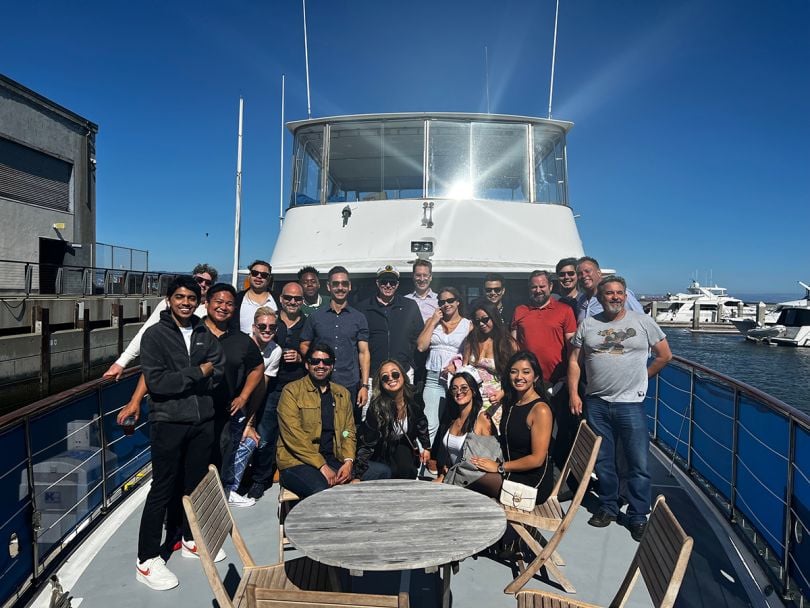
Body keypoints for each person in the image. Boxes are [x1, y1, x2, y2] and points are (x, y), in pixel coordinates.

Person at [131, 276, 225, 591]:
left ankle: (189, 539)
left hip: (202, 421)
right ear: (170, 299)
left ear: (198, 301)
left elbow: (219, 370)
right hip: (168, 422)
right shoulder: (154, 336)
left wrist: (194, 378)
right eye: (180, 297)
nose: (186, 303)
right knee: (163, 488)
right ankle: (146, 560)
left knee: (194, 485)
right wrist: (197, 373)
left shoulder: (203, 333)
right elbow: (158, 384)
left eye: (191, 298)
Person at [568, 275, 671, 541]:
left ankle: (638, 515)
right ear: (600, 298)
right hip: (596, 403)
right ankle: (608, 507)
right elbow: (575, 362)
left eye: (619, 293)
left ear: (625, 296)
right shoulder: (588, 324)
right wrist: (573, 393)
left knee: (638, 462)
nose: (615, 297)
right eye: (609, 293)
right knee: (603, 460)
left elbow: (664, 355)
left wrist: (642, 378)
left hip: (630, 403)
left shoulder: (643, 322)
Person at [276, 344, 389, 498]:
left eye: (326, 362)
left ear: (332, 365)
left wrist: (348, 461)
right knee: (323, 491)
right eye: (315, 361)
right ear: (307, 364)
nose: (321, 365)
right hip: (298, 462)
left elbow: (348, 431)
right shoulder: (291, 391)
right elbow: (294, 436)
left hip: (334, 459)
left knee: (383, 473)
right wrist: (321, 465)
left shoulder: (341, 393)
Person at [202, 284, 265, 507]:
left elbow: (258, 368)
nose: (223, 307)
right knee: (197, 458)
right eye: (218, 302)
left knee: (223, 453)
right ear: (207, 303)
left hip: (225, 411)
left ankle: (221, 497)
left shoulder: (241, 340)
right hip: (193, 411)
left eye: (229, 303)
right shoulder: (193, 333)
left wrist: (244, 397)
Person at [468, 351, 555, 506]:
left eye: (526, 372)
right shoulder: (513, 402)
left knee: (468, 480)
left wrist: (499, 467)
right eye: (514, 372)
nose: (519, 377)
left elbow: (537, 460)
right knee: (467, 465)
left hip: (531, 482)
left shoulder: (540, 410)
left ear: (535, 377)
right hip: (512, 468)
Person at [103, 263, 216, 380]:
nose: (203, 284)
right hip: (169, 373)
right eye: (199, 280)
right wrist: (121, 362)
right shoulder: (167, 305)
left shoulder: (213, 309)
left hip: (198, 378)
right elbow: (145, 332)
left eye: (208, 283)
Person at [511, 270, 577, 471]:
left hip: (557, 380)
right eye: (534, 287)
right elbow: (514, 345)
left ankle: (556, 469)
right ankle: (532, 466)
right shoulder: (520, 310)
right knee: (530, 427)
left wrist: (569, 376)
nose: (538, 290)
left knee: (559, 429)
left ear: (550, 287)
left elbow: (572, 346)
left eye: (542, 286)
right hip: (529, 382)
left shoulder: (564, 310)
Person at [247, 282, 307, 499]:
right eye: (288, 298)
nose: (292, 302)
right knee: (265, 434)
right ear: (280, 299)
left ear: (303, 301)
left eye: (297, 299)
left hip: (298, 387)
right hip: (271, 387)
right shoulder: (271, 322)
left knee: (297, 434)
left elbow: (318, 354)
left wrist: (302, 358)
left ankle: (294, 474)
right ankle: (260, 479)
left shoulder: (308, 324)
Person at [221, 306, 281, 505]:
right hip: (226, 399)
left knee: (247, 441)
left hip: (246, 403)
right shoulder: (240, 343)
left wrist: (249, 422)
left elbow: (260, 388)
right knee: (223, 444)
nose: (267, 330)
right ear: (254, 327)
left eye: (272, 327)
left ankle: (230, 488)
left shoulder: (275, 351)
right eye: (262, 326)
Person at [300, 266, 371, 418]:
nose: (340, 288)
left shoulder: (359, 318)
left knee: (347, 429)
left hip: (349, 384)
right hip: (320, 383)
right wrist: (314, 363)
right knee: (320, 425)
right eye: (336, 284)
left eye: (344, 284)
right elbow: (304, 344)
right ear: (328, 287)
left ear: (350, 286)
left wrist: (364, 386)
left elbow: (364, 353)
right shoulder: (316, 317)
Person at [355, 360, 430, 480]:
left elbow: (421, 420)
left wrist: (426, 446)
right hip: (382, 446)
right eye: (385, 377)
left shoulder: (414, 396)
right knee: (390, 472)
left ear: (403, 376)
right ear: (381, 383)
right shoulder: (376, 408)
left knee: (407, 469)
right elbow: (367, 442)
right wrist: (358, 474)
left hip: (403, 442)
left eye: (395, 374)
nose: (391, 378)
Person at [417, 286, 472, 446]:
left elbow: (470, 353)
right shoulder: (432, 322)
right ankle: (422, 461)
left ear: (458, 302)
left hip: (456, 379)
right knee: (430, 422)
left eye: (450, 300)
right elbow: (421, 346)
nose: (446, 304)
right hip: (434, 378)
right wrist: (433, 321)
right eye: (442, 301)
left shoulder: (468, 325)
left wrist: (458, 364)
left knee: (454, 421)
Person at [356, 265, 423, 385]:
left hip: (402, 372)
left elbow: (418, 336)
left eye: (392, 282)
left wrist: (409, 361)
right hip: (373, 374)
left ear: (397, 285)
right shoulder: (363, 308)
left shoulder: (410, 306)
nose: (388, 285)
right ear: (377, 283)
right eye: (384, 282)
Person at [432, 371, 496, 484]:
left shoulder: (481, 418)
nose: (459, 392)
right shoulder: (451, 418)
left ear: (473, 391)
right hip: (452, 477)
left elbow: (491, 457)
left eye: (464, 388)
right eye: (454, 388)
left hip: (473, 480)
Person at [462, 300, 518, 415]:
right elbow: (464, 367)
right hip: (473, 396)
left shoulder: (508, 343)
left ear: (494, 317)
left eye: (485, 319)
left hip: (496, 397)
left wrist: (502, 393)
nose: (481, 324)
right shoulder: (471, 340)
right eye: (477, 321)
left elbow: (516, 373)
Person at [576, 257, 643, 323]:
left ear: (599, 273)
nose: (584, 276)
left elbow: (641, 318)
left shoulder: (619, 294)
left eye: (587, 271)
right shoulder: (581, 300)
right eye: (579, 274)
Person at [230, 259, 278, 334]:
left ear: (269, 279)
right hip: (242, 345)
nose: (259, 276)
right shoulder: (237, 299)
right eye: (255, 273)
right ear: (249, 276)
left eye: (264, 275)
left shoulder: (278, 300)